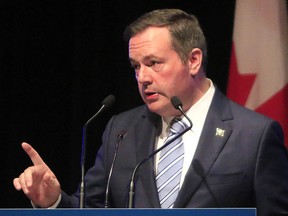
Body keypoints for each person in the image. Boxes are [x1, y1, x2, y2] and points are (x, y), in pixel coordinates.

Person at [13, 8, 288, 215]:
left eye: (153, 63)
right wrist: (53, 201)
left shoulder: (255, 136)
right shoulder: (121, 131)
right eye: (136, 66)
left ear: (193, 60)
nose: (142, 77)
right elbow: (91, 208)